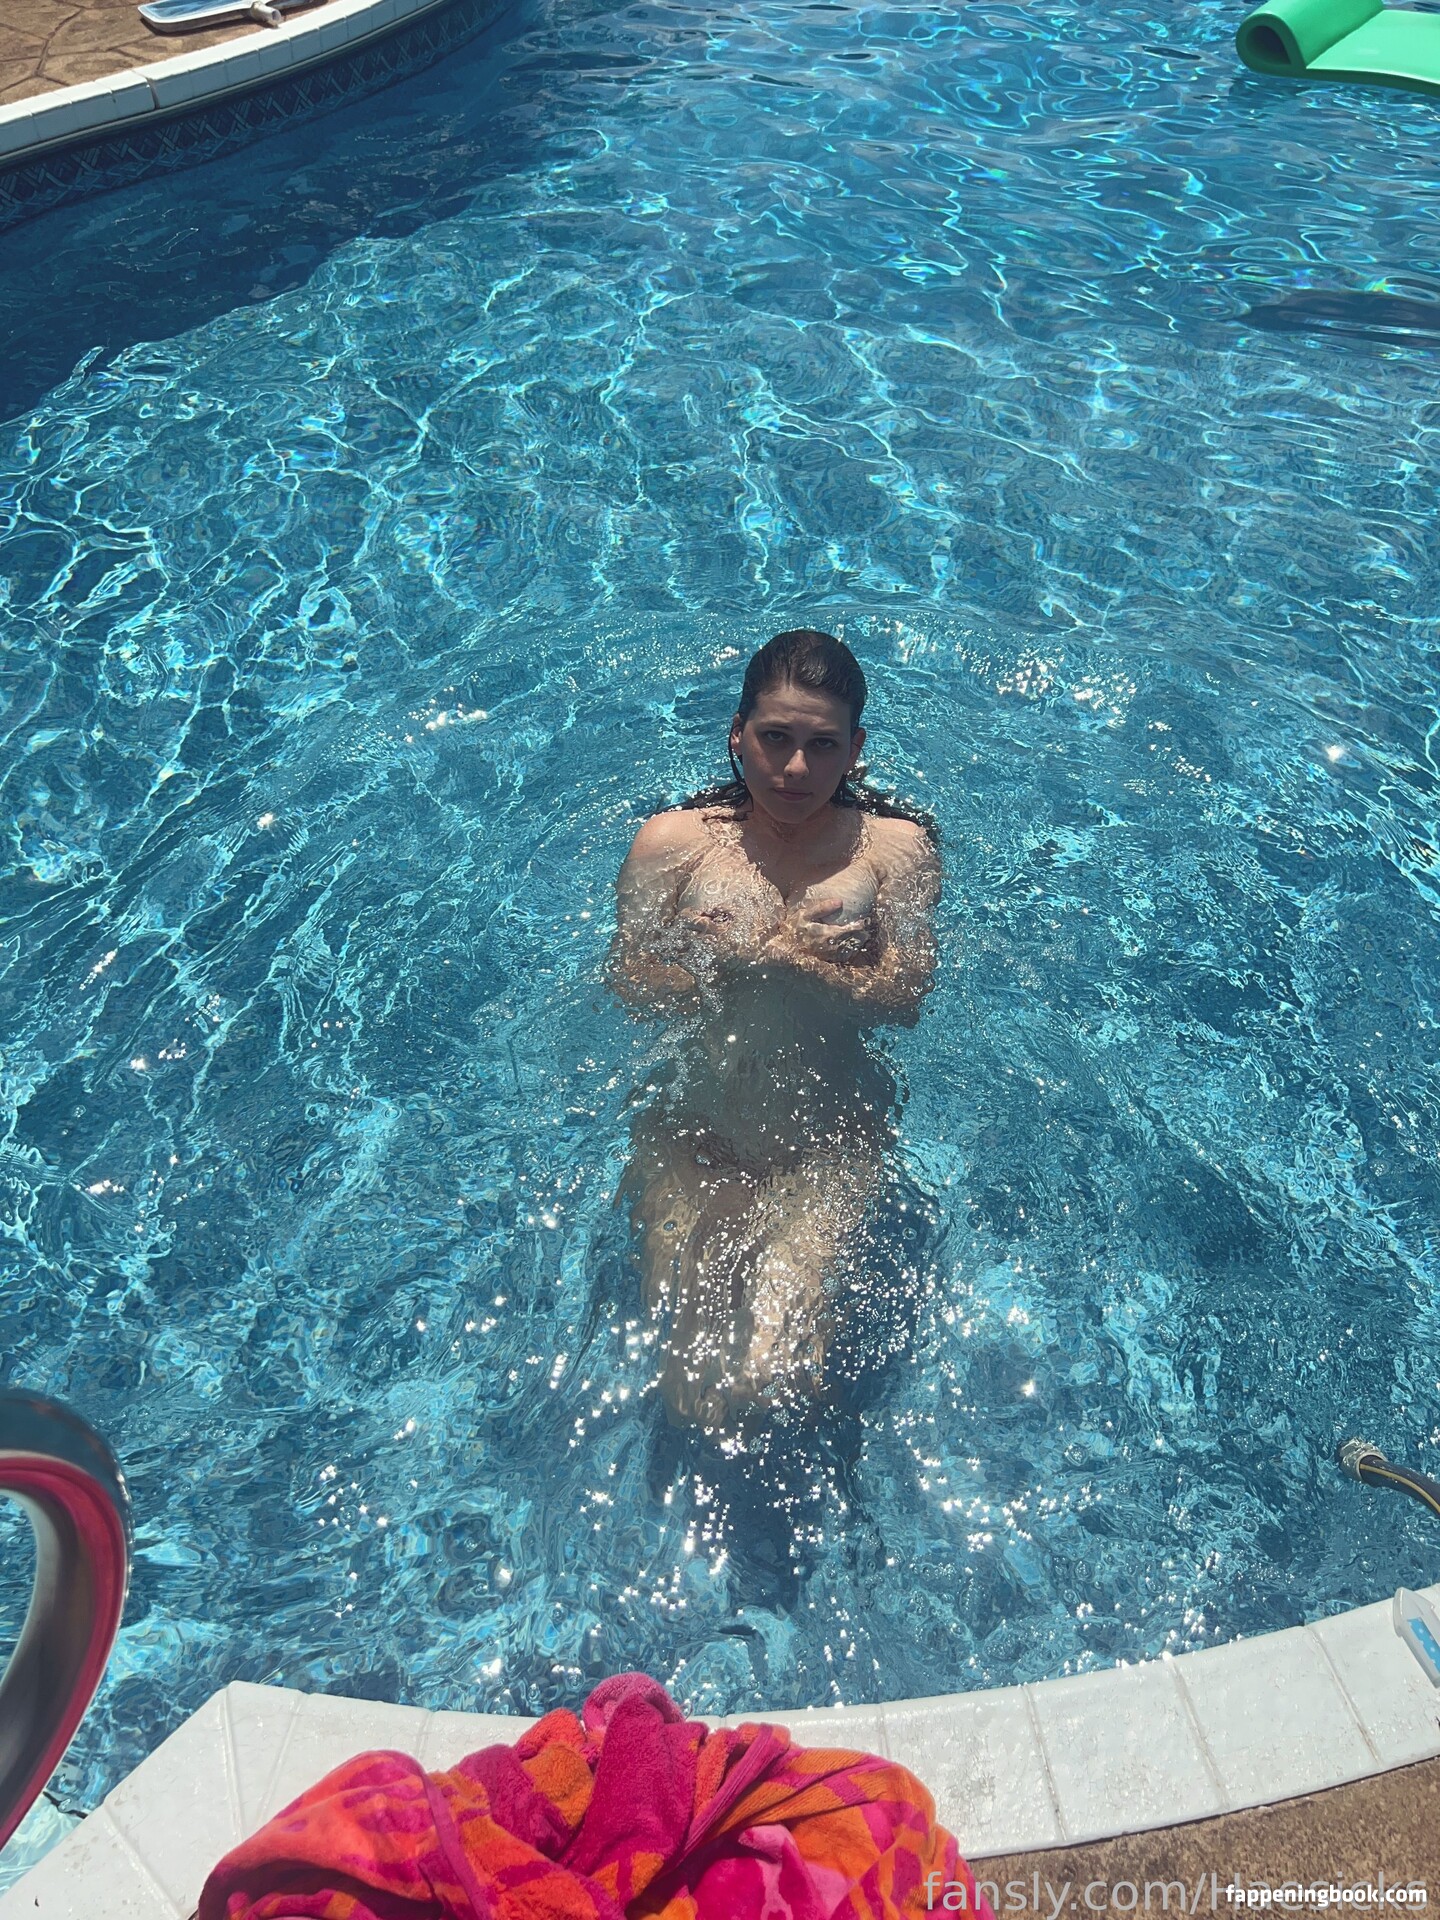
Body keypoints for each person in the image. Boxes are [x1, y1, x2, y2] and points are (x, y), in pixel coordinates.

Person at [607, 629, 941, 1434]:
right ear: (737, 733)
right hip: (695, 1133)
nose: (795, 768)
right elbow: (626, 984)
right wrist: (705, 969)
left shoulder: (897, 851)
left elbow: (906, 998)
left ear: (855, 749)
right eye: (775, 738)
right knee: (692, 1389)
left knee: (779, 1375)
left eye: (822, 745)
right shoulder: (673, 842)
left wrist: (802, 968)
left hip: (830, 1139)